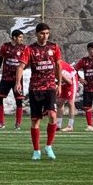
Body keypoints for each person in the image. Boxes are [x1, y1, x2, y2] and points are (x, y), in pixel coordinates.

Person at [16, 23, 62, 160]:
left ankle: (49, 146)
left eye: (47, 33)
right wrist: (18, 82)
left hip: (49, 87)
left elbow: (58, 65)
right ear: (36, 34)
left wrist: (59, 83)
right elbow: (21, 66)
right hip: (35, 88)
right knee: (35, 120)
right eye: (42, 33)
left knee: (53, 115)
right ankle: (36, 150)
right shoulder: (30, 49)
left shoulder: (54, 47)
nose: (45, 36)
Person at [0, 30, 27, 130]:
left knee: (19, 101)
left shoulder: (24, 48)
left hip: (17, 79)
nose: (21, 39)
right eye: (20, 37)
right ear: (14, 37)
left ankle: (18, 124)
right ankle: (1, 122)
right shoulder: (5, 46)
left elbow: (26, 62)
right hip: (6, 78)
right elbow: (0, 60)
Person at [58, 59, 78, 132]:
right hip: (63, 80)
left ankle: (70, 125)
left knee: (70, 102)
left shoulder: (57, 65)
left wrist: (58, 84)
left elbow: (69, 82)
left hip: (71, 80)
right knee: (60, 102)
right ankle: (58, 125)